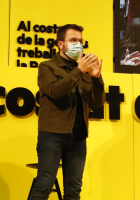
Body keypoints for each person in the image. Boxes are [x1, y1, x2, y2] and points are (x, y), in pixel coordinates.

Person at [29, 24, 105, 200]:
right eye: (73, 40)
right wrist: (79, 71)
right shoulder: (47, 67)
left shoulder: (85, 69)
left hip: (78, 136)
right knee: (44, 186)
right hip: (52, 135)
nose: (78, 44)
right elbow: (55, 91)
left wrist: (96, 79)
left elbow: (98, 102)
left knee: (73, 190)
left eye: (80, 41)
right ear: (60, 44)